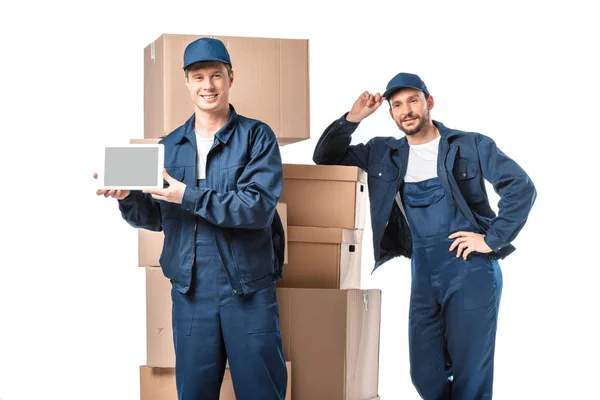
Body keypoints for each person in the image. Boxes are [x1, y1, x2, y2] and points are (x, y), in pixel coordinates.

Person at [313, 72, 536, 399]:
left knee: (470, 375)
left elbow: (521, 187)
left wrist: (490, 240)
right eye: (398, 104)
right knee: (424, 375)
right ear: (391, 113)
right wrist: (353, 118)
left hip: (471, 271)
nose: (407, 110)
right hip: (424, 274)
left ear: (428, 102)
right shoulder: (383, 153)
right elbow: (325, 158)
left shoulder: (470, 145)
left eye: (413, 100)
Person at [95, 37, 287, 400]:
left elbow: (257, 207)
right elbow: (158, 216)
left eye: (216, 75)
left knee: (261, 390)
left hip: (247, 287)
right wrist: (126, 199)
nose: (208, 86)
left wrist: (188, 195)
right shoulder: (167, 147)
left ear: (231, 77)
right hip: (191, 291)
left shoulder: (256, 137)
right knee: (194, 392)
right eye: (198, 77)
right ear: (186, 82)